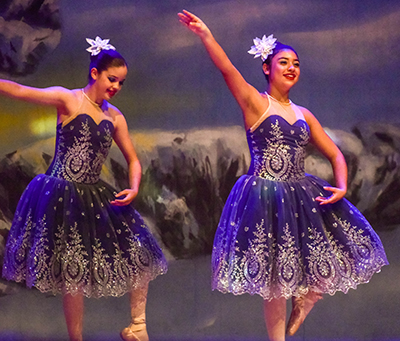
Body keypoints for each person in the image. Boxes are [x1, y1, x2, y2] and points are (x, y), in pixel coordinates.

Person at [178, 10, 388, 341]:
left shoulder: (304, 114)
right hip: (264, 196)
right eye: (284, 62)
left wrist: (342, 185)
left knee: (318, 257)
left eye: (296, 63)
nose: (291, 68)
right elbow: (226, 70)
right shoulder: (254, 104)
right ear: (267, 68)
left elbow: (334, 153)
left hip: (299, 194)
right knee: (274, 281)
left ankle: (309, 295)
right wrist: (206, 35)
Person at [1, 36, 167, 341]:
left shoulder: (115, 117)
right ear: (95, 74)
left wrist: (133, 188)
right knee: (73, 274)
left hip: (94, 194)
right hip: (61, 195)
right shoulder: (70, 100)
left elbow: (133, 160)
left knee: (141, 253)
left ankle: (138, 326)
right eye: (112, 79)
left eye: (121, 83)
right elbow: (23, 91)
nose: (116, 87)